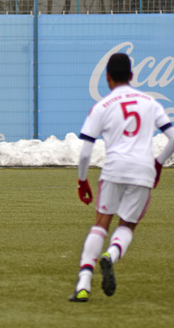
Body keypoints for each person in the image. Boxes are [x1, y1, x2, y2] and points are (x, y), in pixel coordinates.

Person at [69, 53, 174, 302]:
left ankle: (83, 283)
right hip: (143, 171)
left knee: (100, 223)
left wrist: (82, 180)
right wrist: (158, 164)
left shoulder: (102, 106)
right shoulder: (150, 102)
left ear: (107, 78)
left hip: (114, 169)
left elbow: (85, 153)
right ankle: (111, 255)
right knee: (126, 225)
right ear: (132, 75)